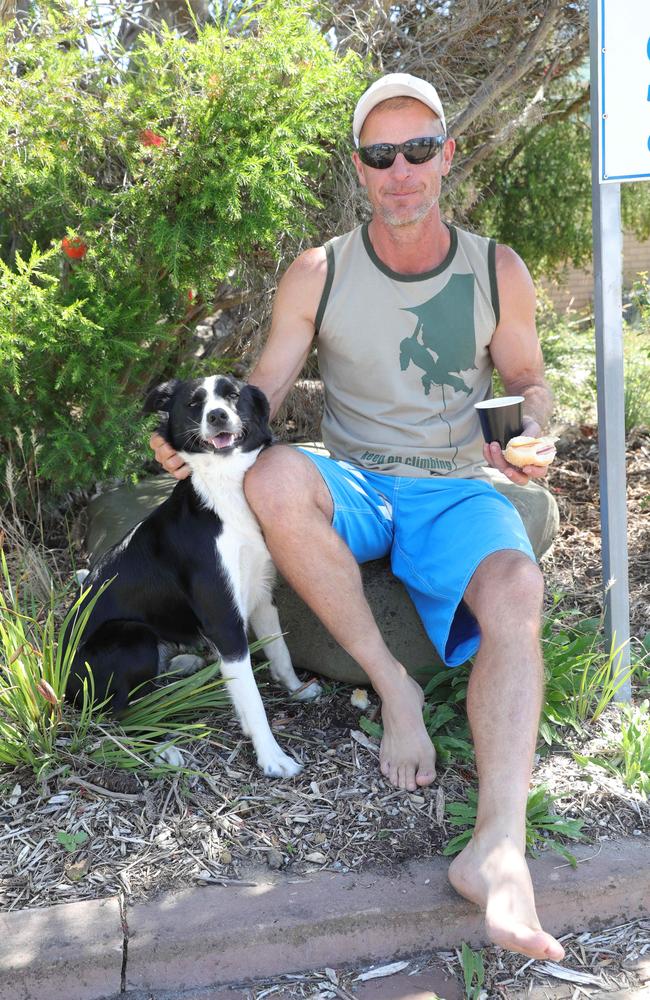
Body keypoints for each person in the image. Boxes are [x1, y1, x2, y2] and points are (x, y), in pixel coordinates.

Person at [151, 73, 564, 962]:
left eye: (420, 149)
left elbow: (531, 384)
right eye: (382, 155)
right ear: (360, 169)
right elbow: (262, 386)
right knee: (274, 479)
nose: (402, 170)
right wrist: (191, 432)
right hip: (359, 481)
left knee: (517, 581)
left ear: (447, 155)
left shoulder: (497, 268)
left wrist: (534, 432)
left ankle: (498, 848)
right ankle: (395, 687)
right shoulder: (321, 270)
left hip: (457, 483)